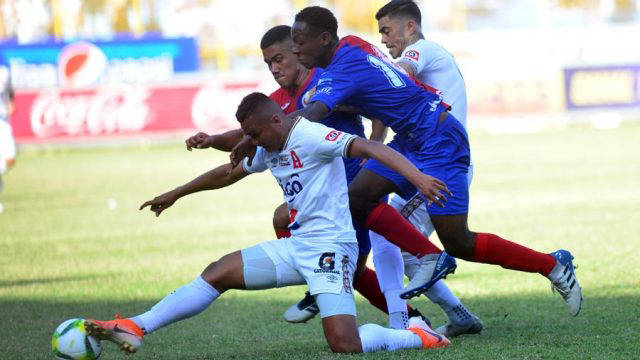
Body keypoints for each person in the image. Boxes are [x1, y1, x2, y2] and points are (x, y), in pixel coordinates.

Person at [233, 6, 581, 316]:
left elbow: (308, 120)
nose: (295, 49)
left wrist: (255, 136)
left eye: (300, 42)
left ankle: (551, 264)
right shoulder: (351, 43)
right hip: (411, 138)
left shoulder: (341, 72)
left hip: (440, 138)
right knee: (358, 197)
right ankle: (420, 265)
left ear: (324, 39)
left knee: (460, 242)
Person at [84, 93, 452, 354]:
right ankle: (136, 326)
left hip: (331, 249)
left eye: (255, 134)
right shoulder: (268, 145)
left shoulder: (309, 135)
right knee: (218, 272)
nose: (251, 142)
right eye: (247, 135)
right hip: (298, 245)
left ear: (277, 120)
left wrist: (418, 178)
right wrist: (177, 193)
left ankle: (415, 334)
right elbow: (227, 174)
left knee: (345, 345)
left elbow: (372, 148)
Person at [369, 0, 482, 337]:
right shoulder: (425, 60)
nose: (384, 40)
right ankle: (454, 316)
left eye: (387, 31)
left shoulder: (423, 50)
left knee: (398, 239)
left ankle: (399, 323)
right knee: (385, 232)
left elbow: (400, 74)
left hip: (441, 165)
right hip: (423, 163)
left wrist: (363, 79)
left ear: (410, 27)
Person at [0, 58, 16, 214]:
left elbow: (8, 86)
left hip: (2, 120)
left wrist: (11, 100)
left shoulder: (3, 61)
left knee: (10, 157)